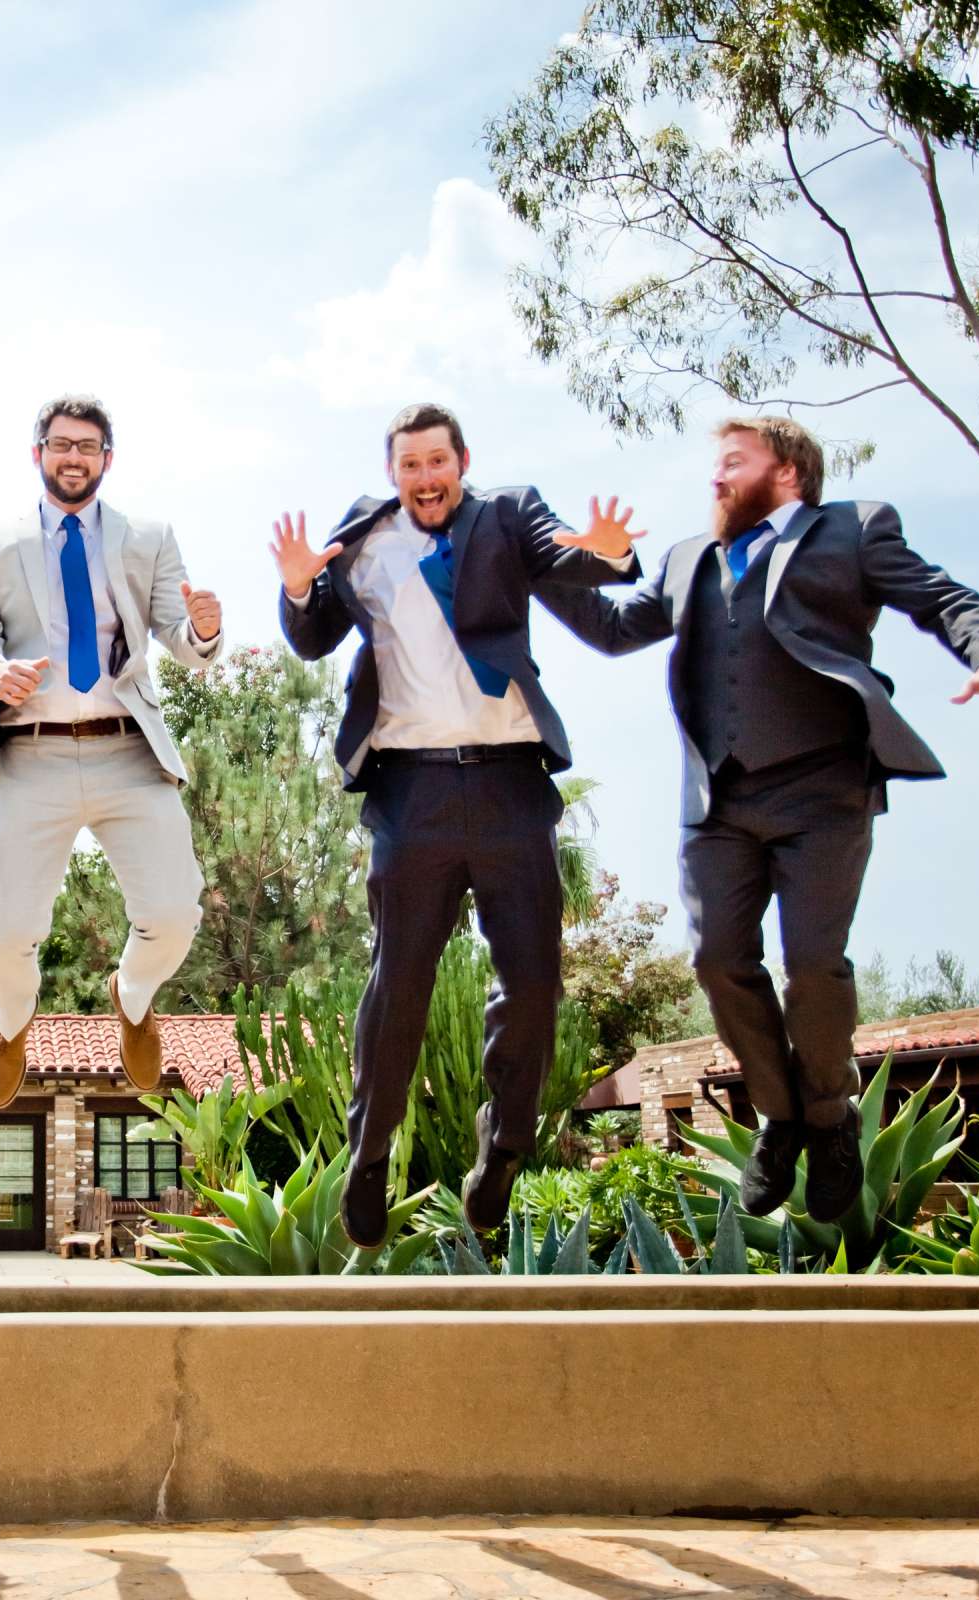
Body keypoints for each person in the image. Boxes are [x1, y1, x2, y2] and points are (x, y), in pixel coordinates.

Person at [538, 415, 979, 1221]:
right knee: (715, 960)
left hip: (822, 791)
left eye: (731, 463)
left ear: (788, 472)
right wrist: (545, 563)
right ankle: (779, 1113)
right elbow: (610, 630)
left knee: (814, 965)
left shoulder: (852, 530)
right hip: (718, 802)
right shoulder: (685, 558)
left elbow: (940, 596)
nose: (714, 478)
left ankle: (827, 1115)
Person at [271, 401, 638, 1246]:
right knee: (399, 982)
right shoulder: (360, 537)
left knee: (534, 985)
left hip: (510, 782)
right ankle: (369, 1153)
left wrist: (609, 553)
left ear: (461, 462)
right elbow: (314, 635)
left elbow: (564, 556)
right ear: (392, 472)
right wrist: (296, 585)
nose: (426, 478)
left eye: (439, 462)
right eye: (411, 466)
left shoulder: (509, 516)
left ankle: (504, 1150)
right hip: (412, 792)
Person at [0, 395, 224, 1109]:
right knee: (6, 928)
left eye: (88, 446)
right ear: (37, 451)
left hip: (126, 751)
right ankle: (12, 1024)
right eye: (61, 444)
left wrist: (202, 631)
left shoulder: (147, 537)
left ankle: (132, 998)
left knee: (176, 910)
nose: (74, 457)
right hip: (29, 754)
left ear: (107, 458)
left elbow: (181, 640)